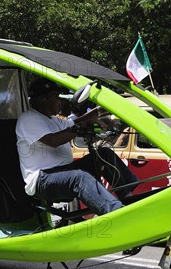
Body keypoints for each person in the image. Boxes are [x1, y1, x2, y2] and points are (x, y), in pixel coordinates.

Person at [16, 78, 138, 215]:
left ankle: (128, 199)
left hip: (62, 172)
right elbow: (53, 140)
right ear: (47, 98)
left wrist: (99, 112)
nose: (60, 101)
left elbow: (76, 122)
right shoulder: (29, 119)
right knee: (79, 177)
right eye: (57, 97)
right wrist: (78, 129)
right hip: (42, 180)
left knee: (104, 154)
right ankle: (118, 214)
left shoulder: (53, 120)